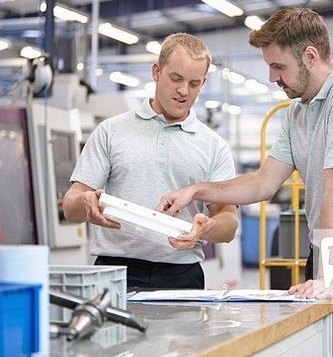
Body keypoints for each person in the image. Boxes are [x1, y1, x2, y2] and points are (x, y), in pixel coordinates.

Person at [157, 8, 333, 357]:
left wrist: (330, 278)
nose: (272, 78)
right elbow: (262, 183)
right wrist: (196, 190)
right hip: (329, 254)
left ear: (310, 57)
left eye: (278, 66)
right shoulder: (300, 110)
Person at [63, 33, 238, 290]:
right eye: (175, 79)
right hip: (115, 271)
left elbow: (229, 223)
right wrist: (84, 202)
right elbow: (70, 206)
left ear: (204, 83)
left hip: (182, 275)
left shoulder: (214, 146)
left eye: (193, 83)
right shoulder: (111, 131)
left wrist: (207, 227)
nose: (183, 91)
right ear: (156, 71)